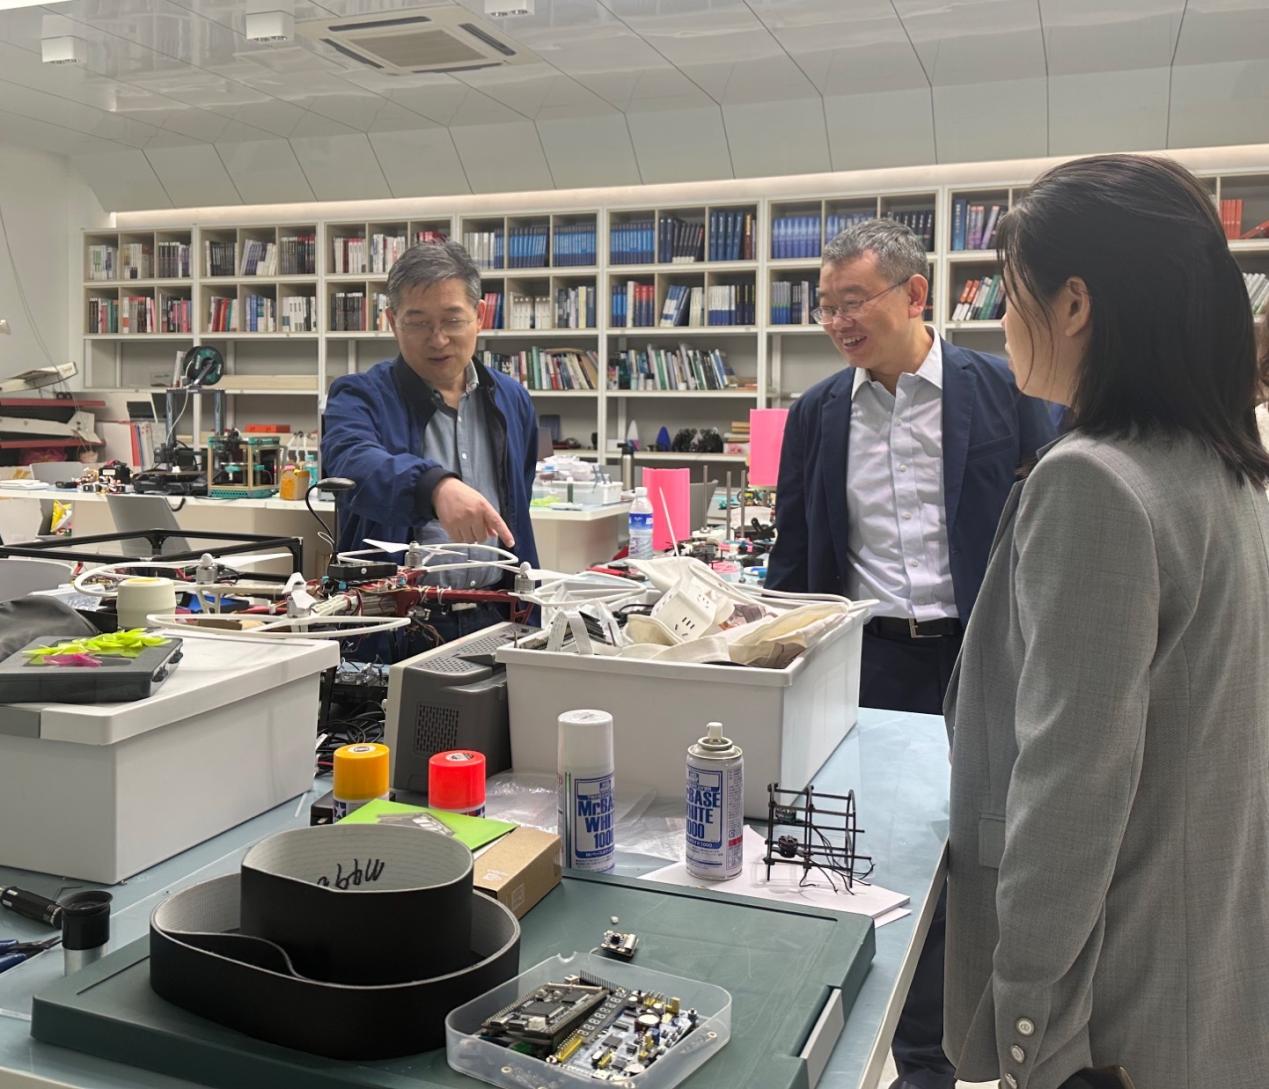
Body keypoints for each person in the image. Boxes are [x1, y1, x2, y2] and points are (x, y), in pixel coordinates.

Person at [943, 154, 1269, 1089]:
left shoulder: (1092, 481)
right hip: (1208, 969)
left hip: (1110, 1012)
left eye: (1010, 292)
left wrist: (1024, 1024)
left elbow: (1070, 790)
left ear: (1074, 303)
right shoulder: (1223, 466)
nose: (1000, 320)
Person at [765, 218, 1057, 1089]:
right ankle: (920, 1058)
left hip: (984, 654)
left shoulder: (1003, 388)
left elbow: (1054, 514)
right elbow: (793, 554)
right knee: (883, 853)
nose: (837, 321)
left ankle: (1000, 1036)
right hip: (872, 662)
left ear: (915, 294)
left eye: (853, 301)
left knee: (986, 848)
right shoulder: (817, 413)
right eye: (825, 306)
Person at [321, 240, 539, 651]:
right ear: (392, 321)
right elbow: (351, 462)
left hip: (498, 615)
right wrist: (434, 487)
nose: (437, 340)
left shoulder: (512, 399)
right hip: (398, 625)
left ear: (479, 316)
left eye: (452, 320)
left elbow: (517, 503)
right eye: (418, 322)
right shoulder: (360, 395)